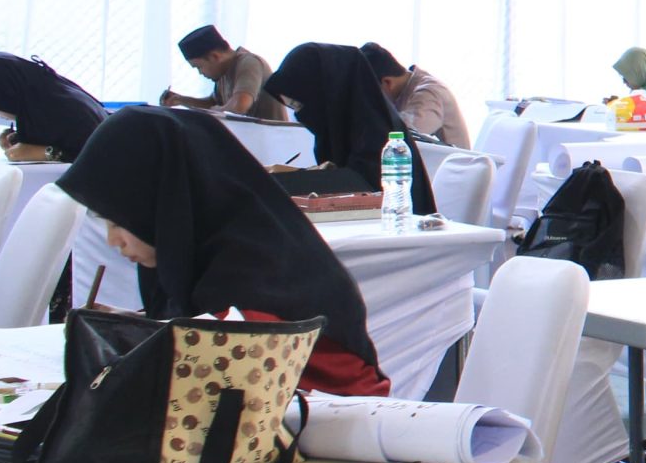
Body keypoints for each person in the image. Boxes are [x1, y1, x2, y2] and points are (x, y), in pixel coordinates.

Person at [61, 106, 389, 395]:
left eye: (117, 221)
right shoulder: (235, 249)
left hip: (332, 435)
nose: (112, 241)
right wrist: (136, 325)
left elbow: (208, 374)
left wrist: (138, 339)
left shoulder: (252, 286)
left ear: (163, 206)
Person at [261, 43, 436, 213]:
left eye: (300, 104)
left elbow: (358, 187)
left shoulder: (380, 135)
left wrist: (285, 180)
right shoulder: (343, 128)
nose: (301, 114)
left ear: (326, 94)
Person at [0, 52, 107, 163]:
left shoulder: (65, 110)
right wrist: (16, 139)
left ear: (6, 98)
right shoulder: (47, 98)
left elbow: (100, 155)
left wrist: (46, 153)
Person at [159, 25, 285, 121]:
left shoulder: (249, 63)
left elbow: (239, 106)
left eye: (199, 67)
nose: (200, 73)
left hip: (272, 146)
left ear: (214, 56)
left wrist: (214, 111)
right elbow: (214, 103)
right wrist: (180, 100)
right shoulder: (223, 73)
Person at [361, 42, 470, 149]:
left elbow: (403, 134)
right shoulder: (405, 90)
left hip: (448, 165)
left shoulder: (429, 93)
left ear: (387, 83)